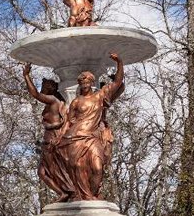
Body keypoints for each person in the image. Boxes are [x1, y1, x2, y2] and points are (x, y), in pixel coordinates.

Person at [57, 53, 124, 201]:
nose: (84, 85)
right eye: (82, 83)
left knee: (98, 168)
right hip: (75, 138)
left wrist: (119, 62)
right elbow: (68, 121)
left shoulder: (100, 96)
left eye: (87, 83)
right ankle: (86, 197)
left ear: (92, 83)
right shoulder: (75, 102)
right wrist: (61, 136)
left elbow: (118, 82)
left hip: (93, 138)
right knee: (79, 168)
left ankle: (91, 195)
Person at [23, 63, 74, 201]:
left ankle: (67, 191)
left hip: (52, 140)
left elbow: (34, 94)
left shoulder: (52, 101)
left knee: (48, 171)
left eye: (44, 86)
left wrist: (26, 76)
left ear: (50, 88)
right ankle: (63, 192)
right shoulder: (53, 103)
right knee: (43, 172)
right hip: (49, 140)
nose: (42, 89)